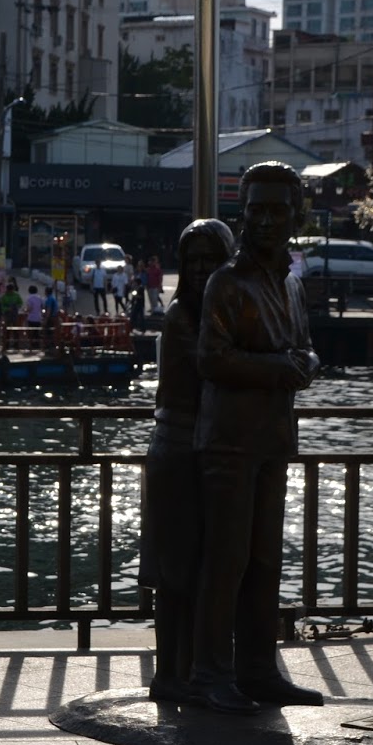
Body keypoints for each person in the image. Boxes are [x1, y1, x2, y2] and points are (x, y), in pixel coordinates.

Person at [188, 161, 325, 715]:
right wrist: (279, 368)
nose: (266, 220)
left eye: (277, 210)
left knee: (266, 560)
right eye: (256, 209)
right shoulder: (227, 282)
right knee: (227, 560)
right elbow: (210, 358)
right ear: (242, 214)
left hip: (273, 436)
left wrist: (306, 364)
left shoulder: (290, 282)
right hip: (228, 439)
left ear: (296, 216)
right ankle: (209, 673)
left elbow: (306, 345)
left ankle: (259, 670)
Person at [142, 219, 234, 702]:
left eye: (210, 259)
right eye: (192, 260)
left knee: (200, 568)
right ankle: (169, 675)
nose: (200, 268)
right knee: (175, 572)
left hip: (203, 450)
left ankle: (190, 670)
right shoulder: (183, 316)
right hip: (177, 451)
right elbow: (216, 365)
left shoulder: (213, 313)